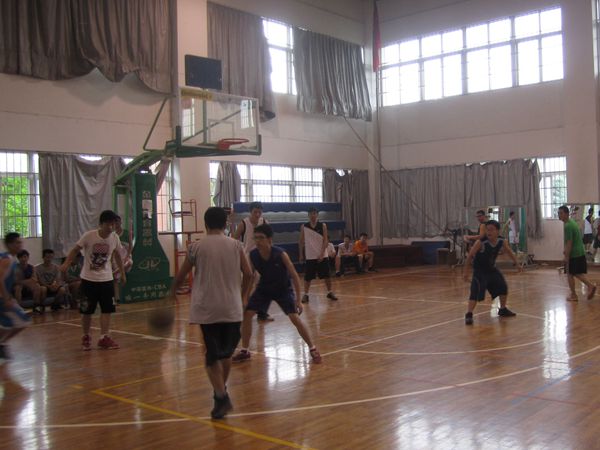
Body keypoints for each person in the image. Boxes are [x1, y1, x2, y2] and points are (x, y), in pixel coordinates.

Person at [169, 207, 253, 420]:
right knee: (225, 354)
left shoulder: (196, 247)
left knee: (211, 355)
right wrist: (243, 296)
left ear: (206, 224)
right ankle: (221, 392)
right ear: (225, 224)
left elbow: (181, 275)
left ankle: (221, 395)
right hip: (232, 308)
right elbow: (249, 273)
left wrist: (172, 292)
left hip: (207, 309)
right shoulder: (236, 245)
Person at [232, 224, 322, 364]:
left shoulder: (281, 254)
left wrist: (298, 300)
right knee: (247, 314)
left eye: (261, 238)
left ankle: (312, 348)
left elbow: (294, 276)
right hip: (264, 288)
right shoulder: (253, 255)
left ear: (269, 239)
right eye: (255, 238)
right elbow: (250, 276)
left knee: (294, 318)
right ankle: (245, 350)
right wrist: (245, 297)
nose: (257, 241)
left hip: (283, 289)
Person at [60, 210, 126, 351]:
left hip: (107, 280)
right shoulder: (89, 236)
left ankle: (104, 337)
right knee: (87, 311)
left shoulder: (114, 238)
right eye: (108, 224)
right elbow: (75, 250)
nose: (111, 227)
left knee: (107, 309)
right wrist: (66, 263)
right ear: (101, 224)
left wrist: (122, 272)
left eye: (113, 224)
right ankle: (86, 336)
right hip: (88, 280)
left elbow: (117, 255)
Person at [463, 220, 520, 325]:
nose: (488, 232)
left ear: (497, 231)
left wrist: (517, 263)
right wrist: (465, 273)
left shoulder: (501, 241)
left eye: (491, 230)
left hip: (492, 269)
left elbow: (509, 251)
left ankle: (502, 309)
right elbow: (470, 256)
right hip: (479, 271)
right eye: (487, 230)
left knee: (503, 287)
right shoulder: (480, 242)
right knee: (475, 292)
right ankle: (469, 314)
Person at [232, 201, 274, 322]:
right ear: (250, 212)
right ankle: (241, 309)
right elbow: (234, 240)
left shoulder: (264, 222)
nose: (257, 214)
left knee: (263, 285)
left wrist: (270, 254)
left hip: (262, 256)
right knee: (247, 284)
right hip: (248, 256)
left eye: (259, 212)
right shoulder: (244, 223)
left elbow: (270, 240)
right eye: (255, 212)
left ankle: (262, 312)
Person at [0, 233, 31, 360]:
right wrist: (6, 298)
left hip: (4, 297)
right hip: (1, 299)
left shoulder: (10, 259)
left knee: (12, 324)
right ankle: (2, 344)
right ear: (9, 244)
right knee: (22, 321)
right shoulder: (6, 259)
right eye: (17, 242)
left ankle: (2, 343)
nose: (20, 245)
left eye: (20, 242)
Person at [558, 205, 597, 301]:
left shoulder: (568, 226)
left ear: (566, 214)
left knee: (571, 273)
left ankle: (577, 293)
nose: (559, 215)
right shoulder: (571, 222)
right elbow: (571, 241)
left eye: (561, 213)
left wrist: (566, 257)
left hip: (574, 254)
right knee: (574, 273)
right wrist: (566, 251)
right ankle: (581, 291)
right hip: (578, 252)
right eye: (558, 213)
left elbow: (569, 243)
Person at [298, 207, 337, 303]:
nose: (313, 215)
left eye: (315, 213)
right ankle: (306, 294)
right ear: (308, 215)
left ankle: (329, 292)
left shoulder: (323, 225)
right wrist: (301, 255)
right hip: (310, 256)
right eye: (311, 213)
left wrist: (322, 254)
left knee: (327, 275)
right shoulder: (304, 227)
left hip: (322, 255)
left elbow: (325, 241)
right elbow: (301, 242)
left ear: (317, 215)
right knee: (308, 277)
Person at [112, 215, 133, 303]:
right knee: (116, 279)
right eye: (115, 222)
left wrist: (127, 256)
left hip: (126, 257)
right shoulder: (113, 235)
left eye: (118, 221)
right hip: (116, 258)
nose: (116, 224)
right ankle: (117, 299)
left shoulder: (127, 233)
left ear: (121, 222)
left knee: (130, 262)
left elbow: (130, 246)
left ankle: (115, 272)